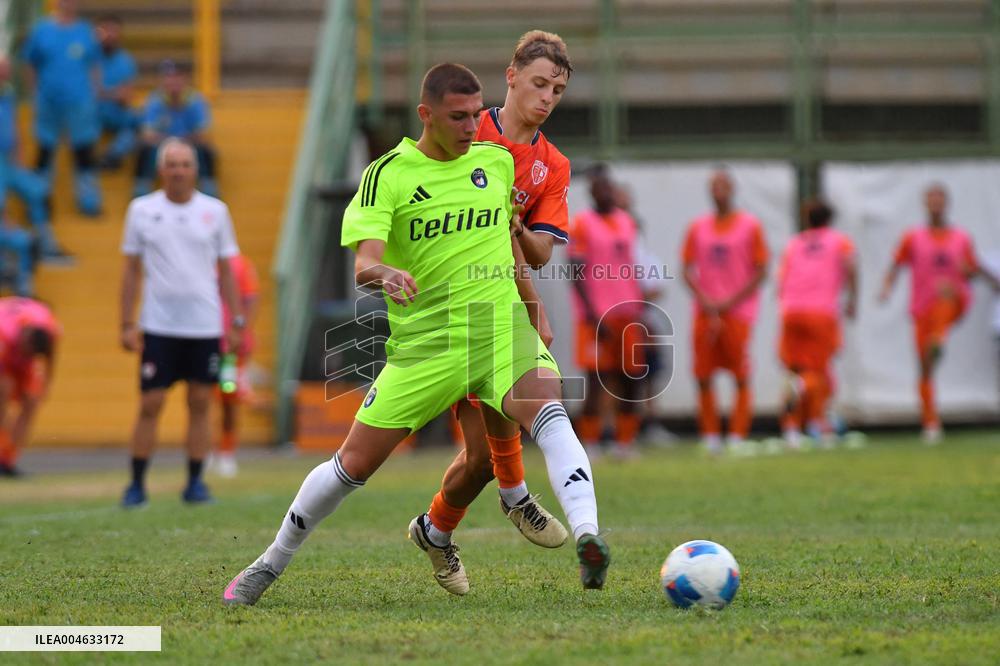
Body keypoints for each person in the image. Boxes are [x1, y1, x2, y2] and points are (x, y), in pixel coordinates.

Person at [222, 63, 608, 607]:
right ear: (426, 115)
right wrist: (385, 274)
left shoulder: (496, 163)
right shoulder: (389, 174)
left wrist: (533, 307)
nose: (471, 127)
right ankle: (268, 563)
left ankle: (589, 537)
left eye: (475, 115)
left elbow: (508, 245)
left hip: (498, 330)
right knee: (353, 465)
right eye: (458, 117)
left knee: (549, 410)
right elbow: (364, 262)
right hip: (427, 345)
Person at [410, 30, 575, 592]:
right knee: (480, 454)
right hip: (445, 304)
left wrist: (516, 226)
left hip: (499, 304)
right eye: (539, 83)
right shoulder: (467, 128)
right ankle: (515, 495)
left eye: (557, 89)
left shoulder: (552, 164)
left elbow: (539, 252)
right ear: (511, 76)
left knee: (480, 458)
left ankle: (436, 530)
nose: (547, 97)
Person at [119, 138, 244, 507]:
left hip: (204, 325)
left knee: (201, 402)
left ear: (196, 170)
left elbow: (227, 270)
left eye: (185, 164)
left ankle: (195, 483)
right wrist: (126, 323)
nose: (178, 171)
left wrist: (236, 321)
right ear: (161, 170)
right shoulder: (141, 210)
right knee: (151, 402)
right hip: (159, 324)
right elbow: (130, 270)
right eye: (172, 164)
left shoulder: (215, 211)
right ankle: (136, 484)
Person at [878, 184, 1000, 443]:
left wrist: (971, 275)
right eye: (931, 200)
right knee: (924, 368)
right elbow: (896, 265)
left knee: (945, 296)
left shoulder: (961, 238)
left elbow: (973, 268)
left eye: (939, 199)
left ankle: (939, 338)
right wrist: (886, 288)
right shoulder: (913, 237)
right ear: (925, 204)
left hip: (953, 300)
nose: (935, 204)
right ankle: (930, 422)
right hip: (922, 308)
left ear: (946, 203)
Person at [682, 170, 769, 453]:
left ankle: (737, 434)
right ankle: (710, 435)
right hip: (706, 312)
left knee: (740, 373)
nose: (718, 191)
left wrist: (732, 299)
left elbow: (761, 269)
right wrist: (704, 298)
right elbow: (686, 268)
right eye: (714, 186)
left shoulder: (750, 225)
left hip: (738, 312)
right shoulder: (698, 227)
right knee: (703, 374)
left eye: (723, 186)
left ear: (732, 189)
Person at [569, 168, 645, 457]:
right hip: (598, 315)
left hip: (628, 311)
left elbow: (633, 265)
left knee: (631, 378)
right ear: (591, 193)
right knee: (596, 378)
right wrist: (591, 312)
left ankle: (625, 442)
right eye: (599, 188)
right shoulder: (582, 223)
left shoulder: (627, 222)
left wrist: (640, 306)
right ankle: (590, 443)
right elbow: (575, 271)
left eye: (608, 188)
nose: (605, 193)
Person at [777, 200, 857, 447]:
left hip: (791, 311)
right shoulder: (839, 241)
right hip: (821, 313)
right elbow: (851, 266)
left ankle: (792, 429)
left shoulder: (795, 243)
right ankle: (816, 421)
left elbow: (781, 278)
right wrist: (852, 299)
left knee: (793, 370)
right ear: (829, 219)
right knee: (818, 373)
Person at [20, 0, 102, 216]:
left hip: (80, 101)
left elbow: (94, 65)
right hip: (49, 101)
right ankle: (39, 199)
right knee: (45, 151)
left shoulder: (85, 31)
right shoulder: (42, 30)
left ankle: (88, 200)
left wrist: (94, 94)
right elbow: (30, 63)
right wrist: (35, 95)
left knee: (84, 150)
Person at [0, 55, 70, 265]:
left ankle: (45, 244)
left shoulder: (8, 93)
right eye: (3, 68)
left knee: (39, 191)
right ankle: (8, 257)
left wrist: (19, 157)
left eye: (7, 67)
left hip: (9, 162)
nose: (7, 71)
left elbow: (13, 127)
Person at [134, 60, 218, 198]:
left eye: (177, 79)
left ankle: (210, 192)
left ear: (184, 80)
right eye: (169, 79)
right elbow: (147, 134)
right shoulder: (155, 100)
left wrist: (180, 141)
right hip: (161, 145)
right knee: (145, 150)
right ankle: (140, 192)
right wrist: (172, 140)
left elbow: (203, 134)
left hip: (189, 145)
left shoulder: (195, 100)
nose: (173, 84)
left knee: (206, 151)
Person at [211, 253, 259, 478]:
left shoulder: (240, 264)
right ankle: (205, 451)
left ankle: (226, 452)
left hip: (230, 349)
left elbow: (251, 299)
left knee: (228, 398)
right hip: (202, 343)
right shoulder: (199, 259)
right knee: (201, 398)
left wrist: (242, 334)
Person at [0, 297, 59, 477]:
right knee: (3, 396)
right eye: (26, 352)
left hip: (18, 358)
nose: (26, 356)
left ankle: (8, 458)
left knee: (32, 402)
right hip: (4, 357)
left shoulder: (51, 329)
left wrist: (46, 384)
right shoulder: (5, 331)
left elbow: (51, 357)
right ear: (25, 340)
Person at [96, 13, 138, 170]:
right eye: (106, 30)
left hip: (115, 112)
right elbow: (86, 92)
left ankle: (112, 156)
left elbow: (126, 96)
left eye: (113, 31)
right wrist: (113, 93)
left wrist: (103, 93)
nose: (110, 35)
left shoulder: (126, 61)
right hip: (91, 113)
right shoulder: (89, 59)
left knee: (138, 121)